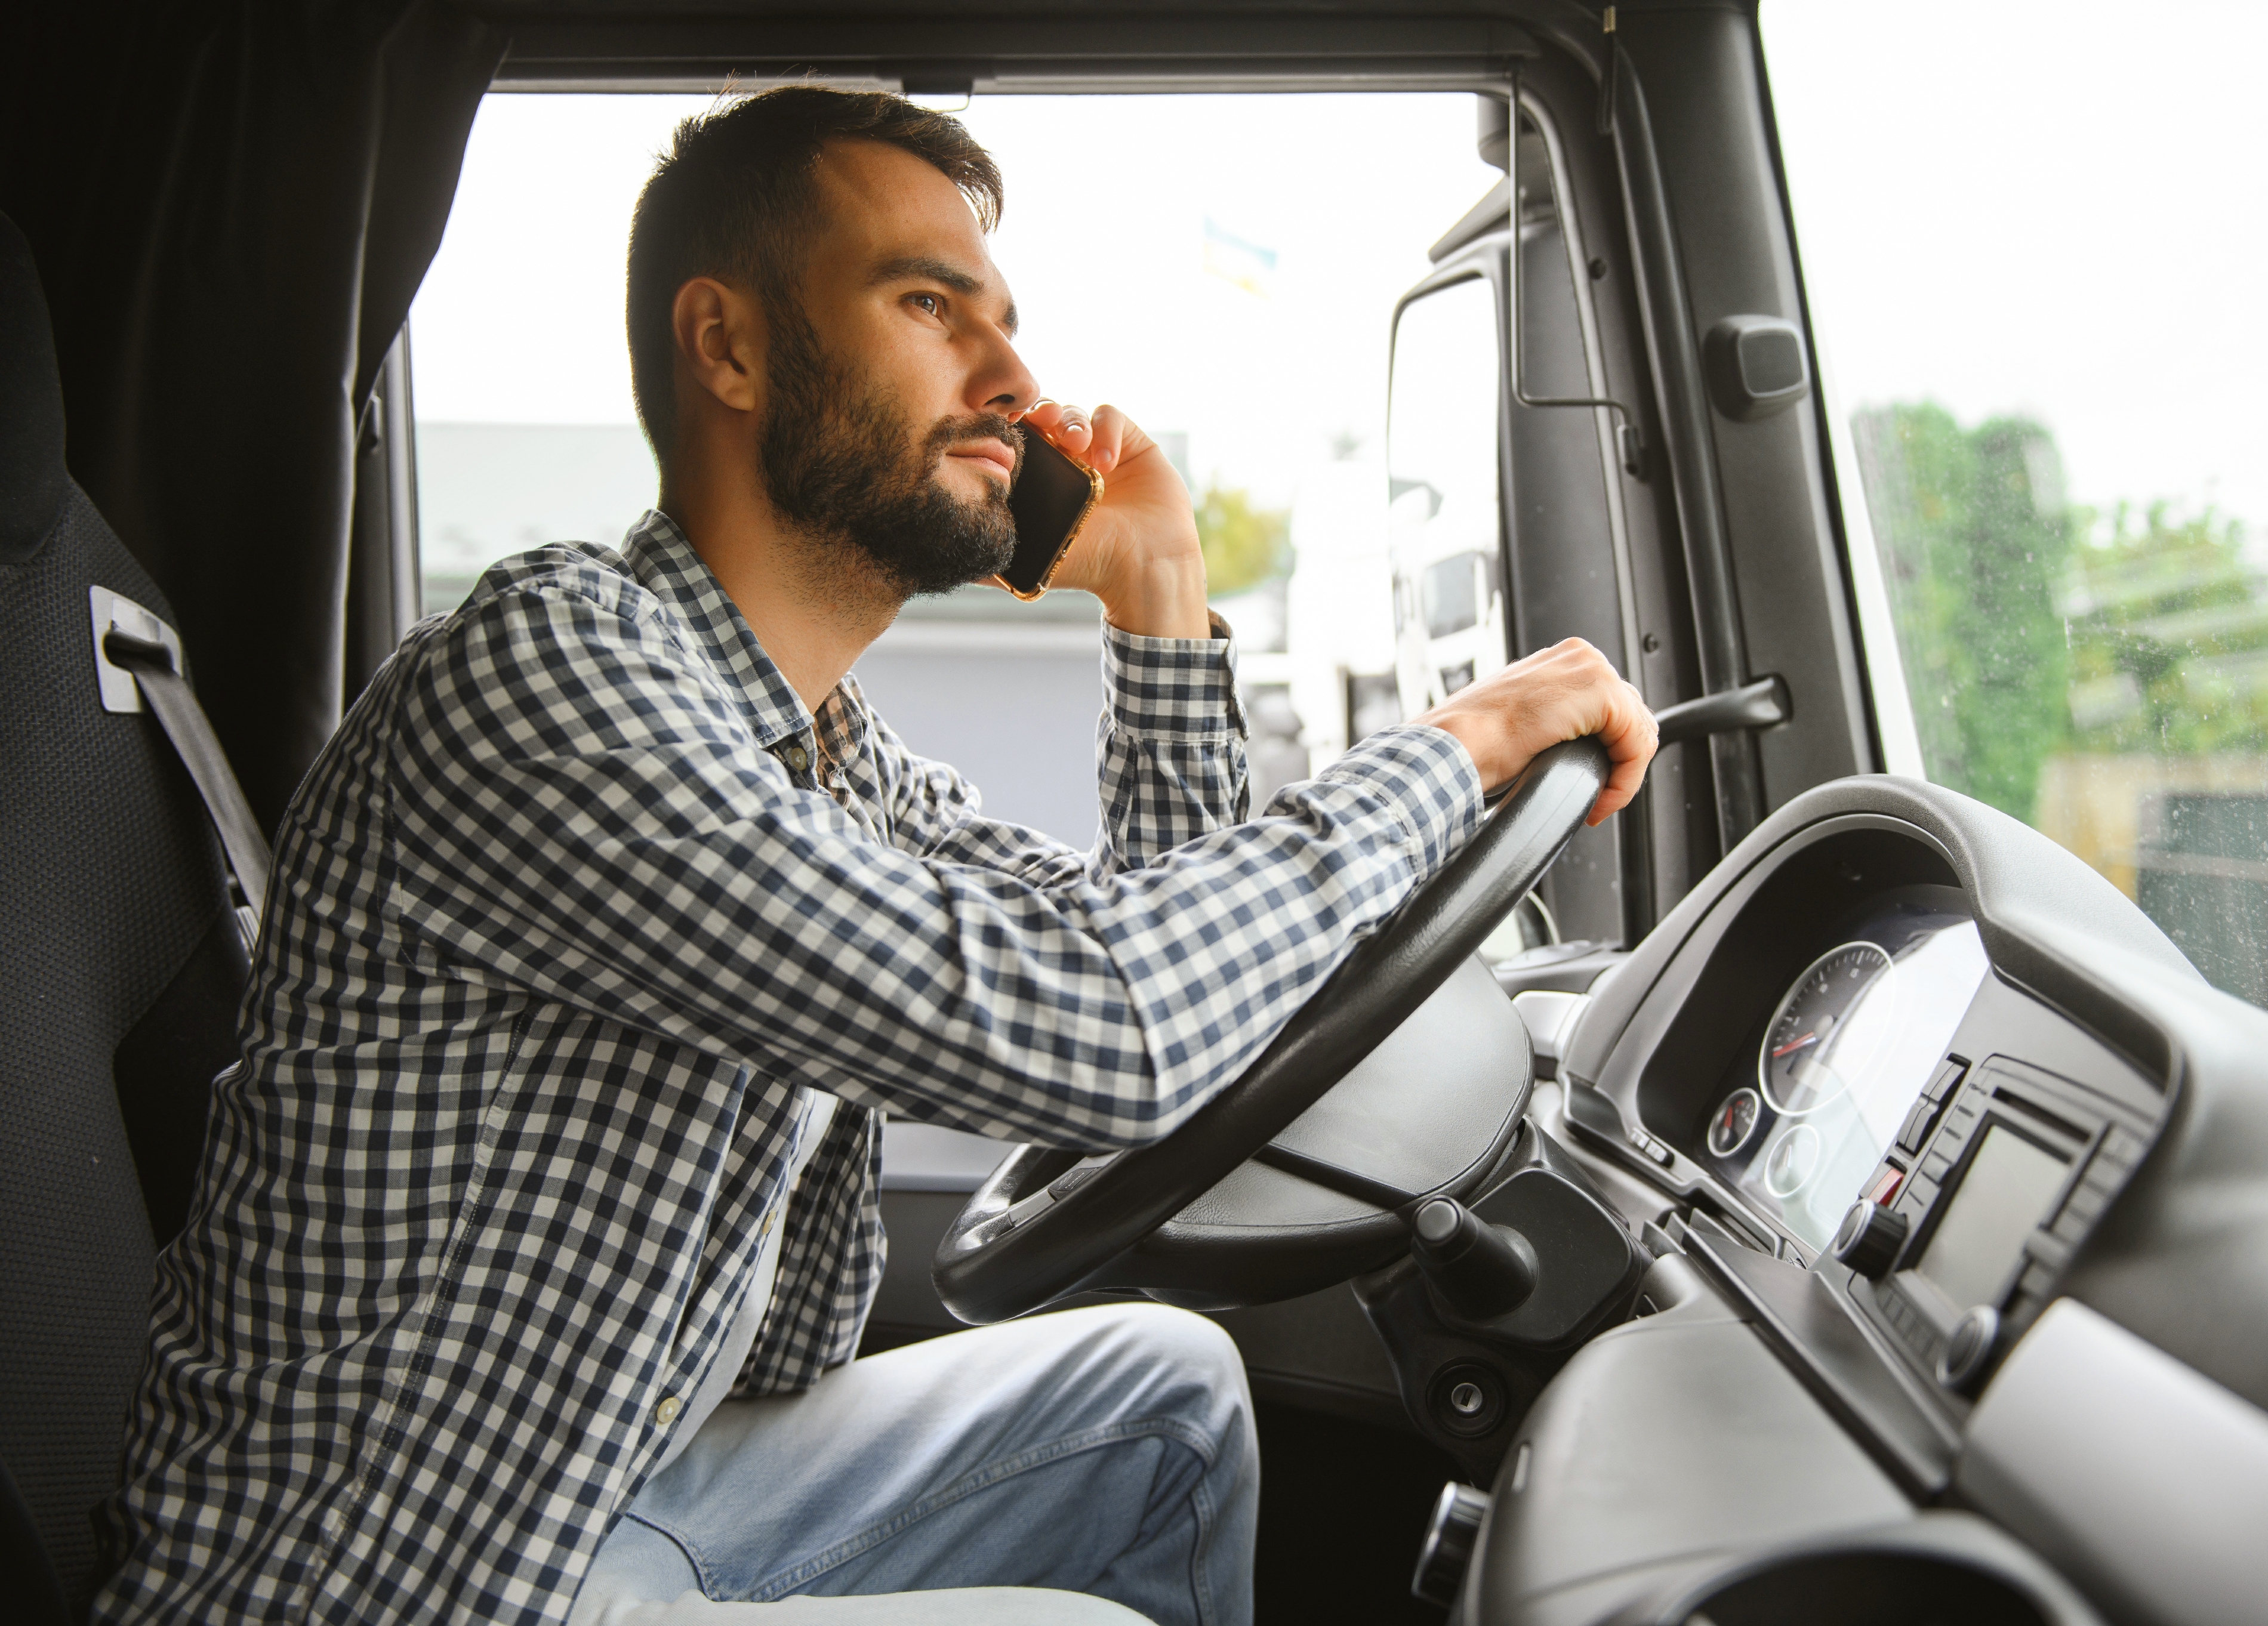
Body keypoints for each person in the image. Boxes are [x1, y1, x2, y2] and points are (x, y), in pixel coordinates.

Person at [95, 87, 1658, 1626]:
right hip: (393, 1586)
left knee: (1161, 1396)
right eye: (933, 305)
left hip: (611, 1484)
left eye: (1006, 320)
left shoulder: (821, 748)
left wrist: (1160, 593)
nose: (1014, 378)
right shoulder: (548, 677)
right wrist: (1462, 747)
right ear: (731, 346)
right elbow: (1105, 1027)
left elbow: (1185, 990)